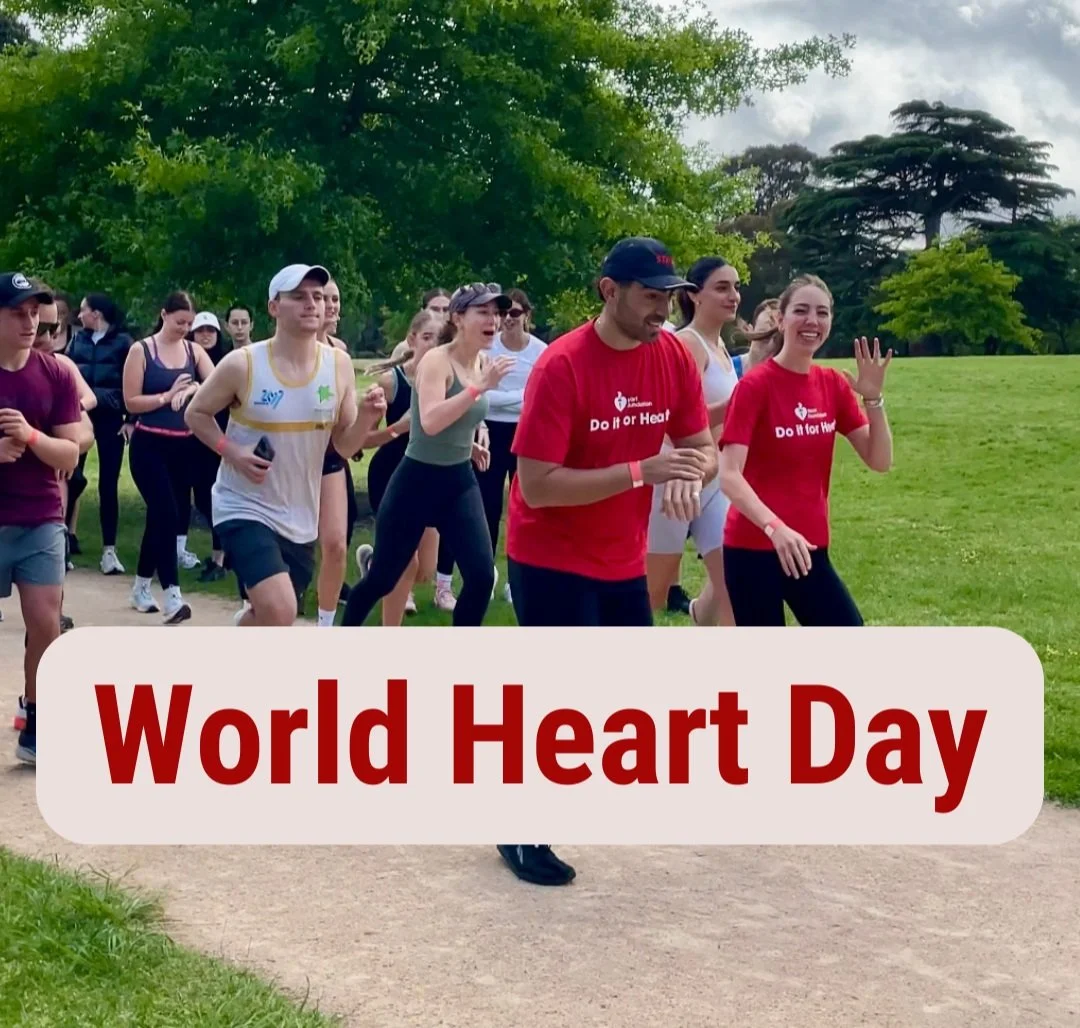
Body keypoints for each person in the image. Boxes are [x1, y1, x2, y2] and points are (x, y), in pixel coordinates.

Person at [498, 237, 717, 886]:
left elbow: (703, 445)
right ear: (608, 290)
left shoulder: (671, 356)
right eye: (649, 296)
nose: (661, 310)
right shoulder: (562, 366)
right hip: (549, 555)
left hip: (620, 555)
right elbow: (537, 485)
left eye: (668, 297)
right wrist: (642, 471)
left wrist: (689, 472)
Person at [184, 264, 385, 627]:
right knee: (281, 609)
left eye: (318, 297)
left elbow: (342, 445)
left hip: (299, 516)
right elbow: (195, 413)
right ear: (274, 307)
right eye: (298, 296)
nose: (312, 304)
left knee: (271, 618)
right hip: (242, 505)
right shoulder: (243, 364)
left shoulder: (338, 365)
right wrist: (232, 451)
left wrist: (368, 417)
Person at [717, 273, 893, 626]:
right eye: (801, 310)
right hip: (753, 547)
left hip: (809, 548)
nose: (812, 321)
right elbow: (729, 475)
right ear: (781, 320)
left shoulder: (832, 385)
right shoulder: (755, 386)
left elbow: (880, 460)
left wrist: (873, 399)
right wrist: (775, 528)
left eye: (822, 312)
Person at [340, 282, 512, 629]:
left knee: (481, 577)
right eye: (483, 312)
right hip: (417, 480)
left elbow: (458, 417)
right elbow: (430, 421)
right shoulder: (437, 360)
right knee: (383, 578)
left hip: (458, 480)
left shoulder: (480, 361)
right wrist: (480, 386)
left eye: (496, 313)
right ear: (458, 318)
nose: (493, 320)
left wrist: (469, 444)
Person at [0, 272, 89, 766]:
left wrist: (32, 437)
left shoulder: (55, 373)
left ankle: (36, 723)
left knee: (45, 623)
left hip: (40, 516)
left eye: (35, 313)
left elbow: (70, 453)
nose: (30, 323)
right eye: (18, 313)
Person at [645, 256, 741, 626]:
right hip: (673, 482)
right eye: (722, 288)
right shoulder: (686, 343)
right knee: (651, 595)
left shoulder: (720, 348)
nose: (733, 296)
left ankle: (704, 617)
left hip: (712, 479)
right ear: (694, 295)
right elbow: (672, 420)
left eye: (736, 288)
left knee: (734, 581)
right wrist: (735, 405)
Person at [122, 291, 214, 624]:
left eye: (189, 323)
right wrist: (167, 396)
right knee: (166, 512)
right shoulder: (141, 351)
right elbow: (131, 401)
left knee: (162, 517)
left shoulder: (194, 351)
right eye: (179, 322)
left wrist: (191, 389)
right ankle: (173, 595)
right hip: (149, 445)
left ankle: (140, 587)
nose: (185, 329)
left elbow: (217, 384)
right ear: (163, 315)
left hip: (183, 447)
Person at [353, 308, 442, 622]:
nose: (434, 345)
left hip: (431, 476)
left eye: (440, 339)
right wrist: (398, 429)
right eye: (427, 337)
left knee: (426, 569)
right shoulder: (392, 382)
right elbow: (360, 441)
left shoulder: (448, 379)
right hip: (391, 474)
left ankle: (375, 565)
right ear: (412, 340)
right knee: (407, 562)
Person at [472, 288, 546, 603]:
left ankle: (520, 579)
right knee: (487, 505)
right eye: (503, 314)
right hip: (489, 432)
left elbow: (540, 397)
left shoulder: (541, 351)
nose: (508, 320)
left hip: (526, 432)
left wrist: (503, 398)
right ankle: (486, 574)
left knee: (525, 508)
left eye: (515, 313)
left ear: (527, 315)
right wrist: (520, 397)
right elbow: (480, 393)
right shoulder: (487, 348)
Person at [65, 291, 134, 575]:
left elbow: (133, 382)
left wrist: (130, 417)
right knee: (71, 478)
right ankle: (63, 545)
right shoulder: (77, 340)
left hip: (110, 419)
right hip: (79, 417)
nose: (79, 315)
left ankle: (109, 550)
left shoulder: (124, 343)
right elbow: (67, 377)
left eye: (83, 310)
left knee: (108, 484)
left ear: (96, 314)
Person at [313, 276, 359, 626]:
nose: (331, 305)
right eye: (324, 298)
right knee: (290, 542)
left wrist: (362, 421)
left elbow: (347, 412)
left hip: (331, 457)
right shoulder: (277, 352)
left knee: (337, 542)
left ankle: (325, 623)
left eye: (335, 299)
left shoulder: (339, 352)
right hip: (288, 458)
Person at [185, 310, 232, 582]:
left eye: (210, 331)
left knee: (216, 497)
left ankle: (219, 558)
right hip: (192, 439)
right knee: (202, 498)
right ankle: (223, 551)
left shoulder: (226, 362)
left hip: (220, 437)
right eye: (200, 331)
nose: (205, 335)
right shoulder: (187, 361)